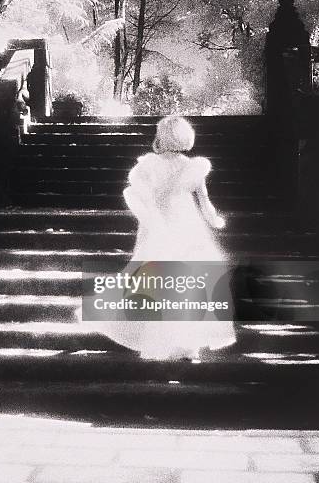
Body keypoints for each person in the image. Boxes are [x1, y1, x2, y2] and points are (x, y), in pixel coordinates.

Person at [79, 115, 237, 360]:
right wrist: (215, 221)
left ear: (161, 136)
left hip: (159, 224)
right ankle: (187, 341)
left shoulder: (149, 165)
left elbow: (139, 194)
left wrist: (150, 213)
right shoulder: (192, 166)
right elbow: (205, 204)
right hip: (186, 224)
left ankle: (159, 341)